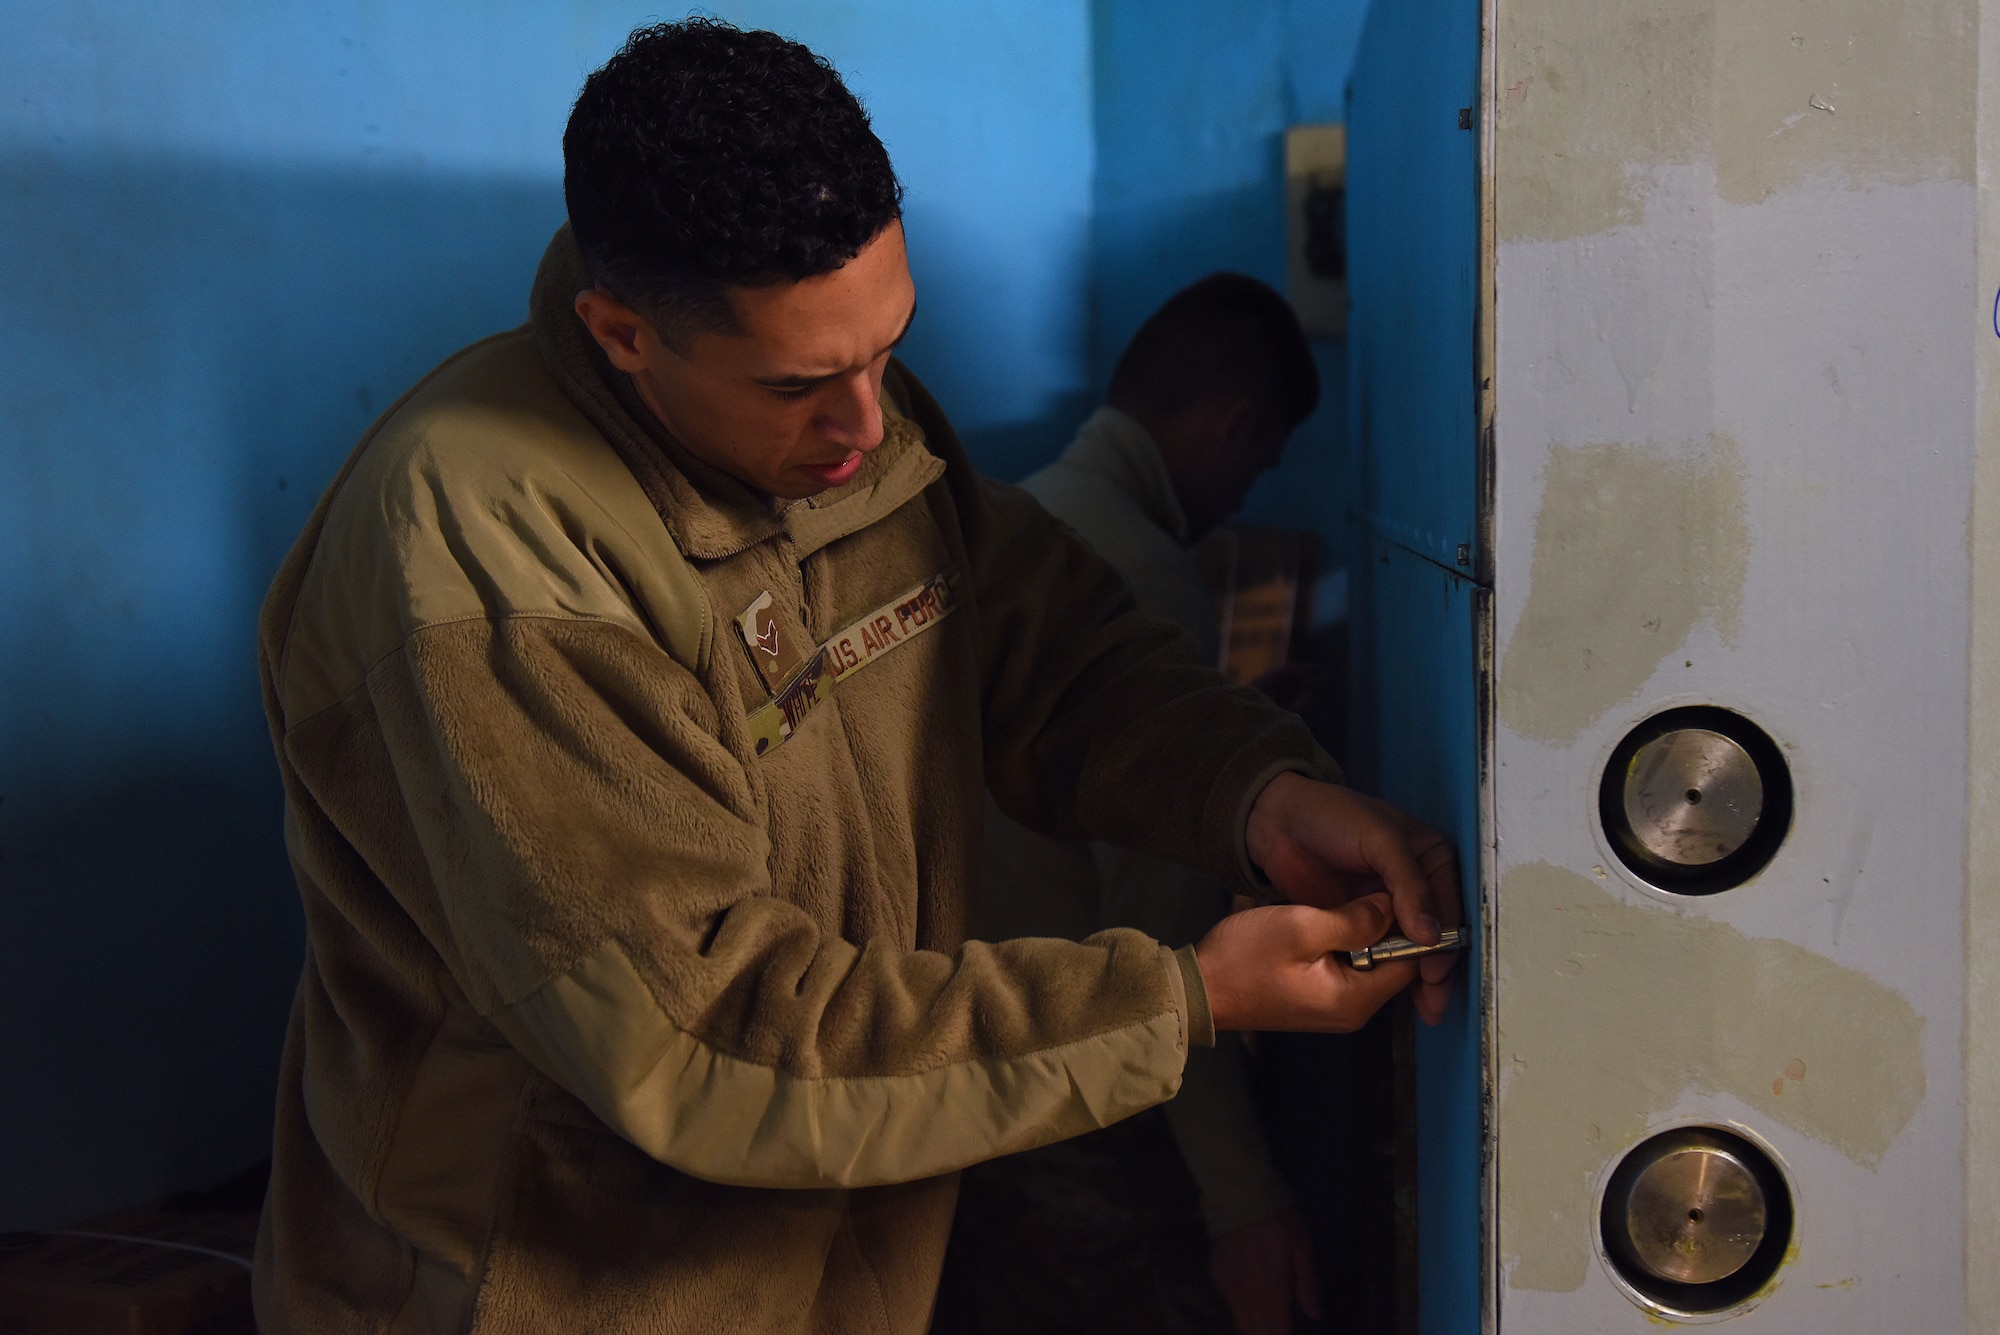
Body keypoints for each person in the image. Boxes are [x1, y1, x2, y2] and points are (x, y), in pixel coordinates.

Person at [250, 20, 1459, 1335]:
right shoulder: (490, 559)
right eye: (803, 382)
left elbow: (1049, 654)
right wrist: (1181, 998)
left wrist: (1253, 789)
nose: (869, 423)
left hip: (832, 1269)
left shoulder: (847, 428)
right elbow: (710, 1030)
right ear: (623, 333)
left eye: (888, 347)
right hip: (559, 1289)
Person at [940, 275, 1329, 1335]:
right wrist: (1245, 1205)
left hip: (966, 1069)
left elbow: (1050, 783)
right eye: (1259, 462)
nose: (1246, 491)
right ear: (1234, 426)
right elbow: (1162, 938)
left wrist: (1224, 733)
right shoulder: (1146, 573)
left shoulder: (1028, 523)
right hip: (1085, 1101)